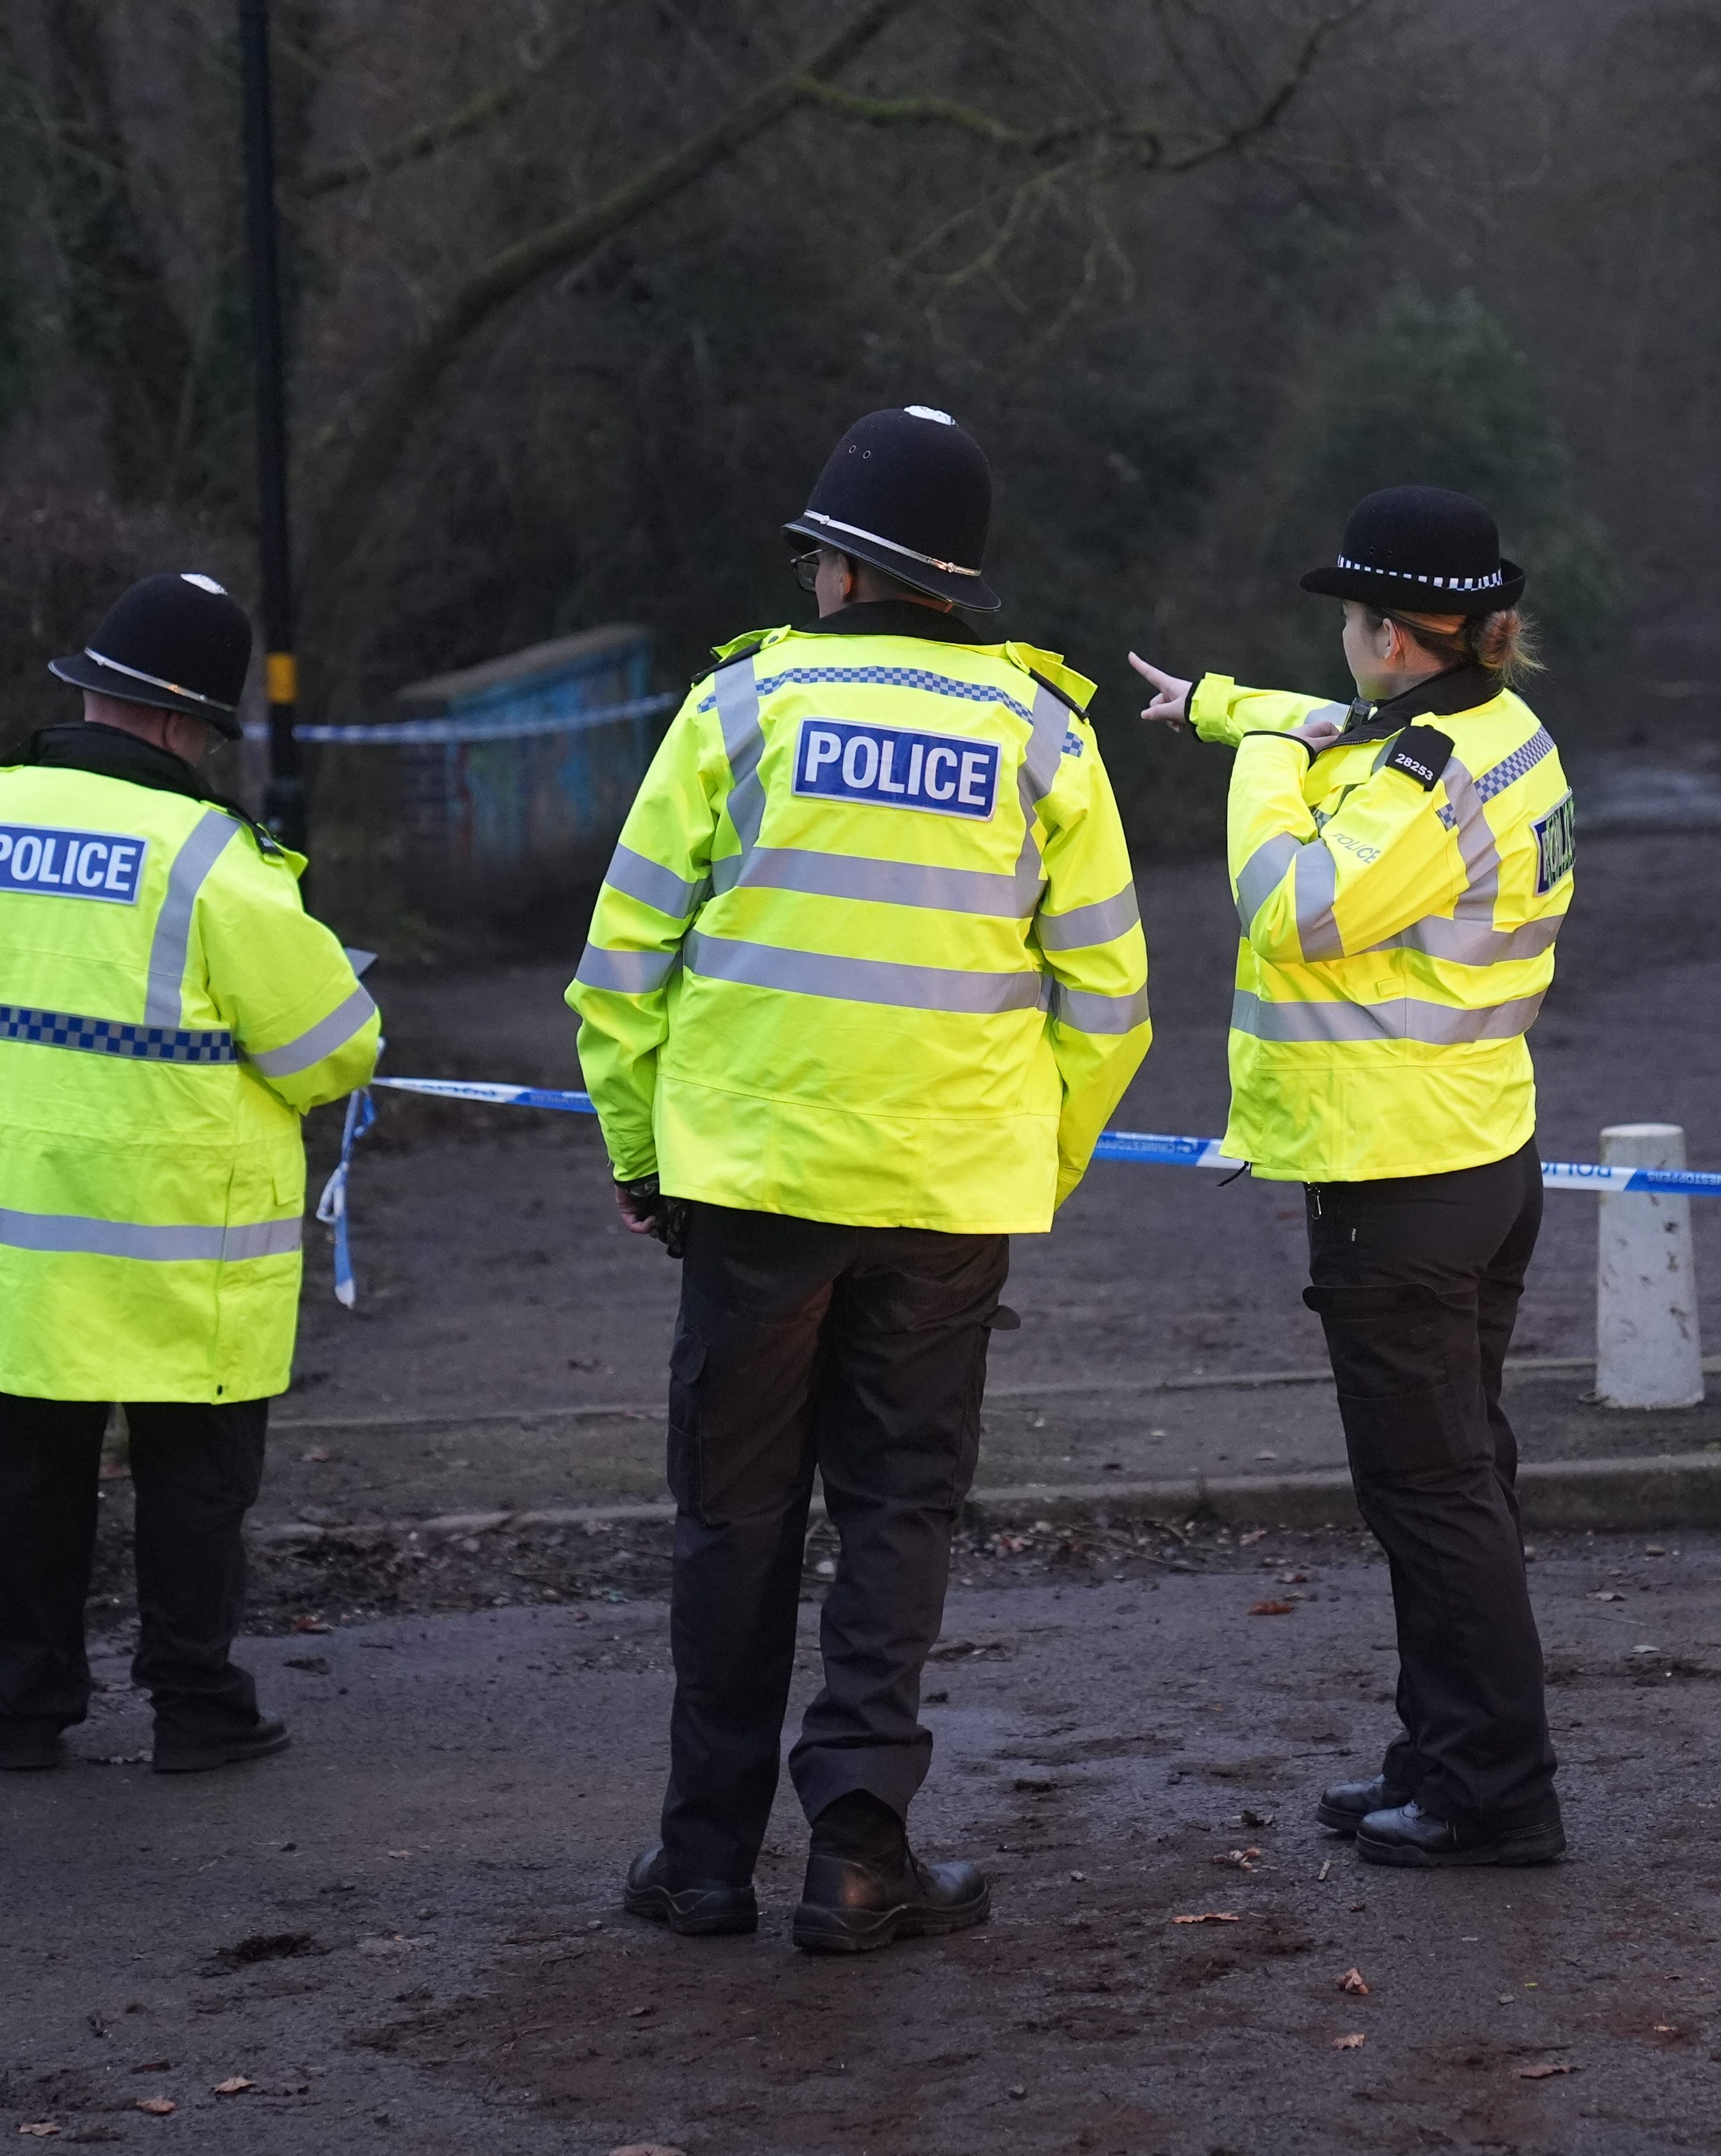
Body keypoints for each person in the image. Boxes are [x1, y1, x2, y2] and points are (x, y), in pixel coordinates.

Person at [570, 406, 1151, 1952]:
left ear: (834, 566)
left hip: (753, 1186)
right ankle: (854, 1855)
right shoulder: (1044, 734)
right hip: (946, 1201)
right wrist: (1034, 1161)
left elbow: (621, 965)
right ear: (953, 583)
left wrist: (642, 1151)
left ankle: (700, 1863)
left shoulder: (738, 711)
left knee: (733, 1519)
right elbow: (1108, 1005)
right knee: (897, 1511)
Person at [1127, 484, 1578, 1868]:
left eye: (1351, 622)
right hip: (1475, 1150)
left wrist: (1252, 751)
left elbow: (1293, 908)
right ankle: (1443, 1758)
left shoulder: (1420, 781)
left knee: (1433, 1496)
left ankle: (1492, 1796)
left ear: (1392, 639)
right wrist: (1226, 703)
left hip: (1402, 1178)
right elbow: (1350, 738)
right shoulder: (1494, 731)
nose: (1340, 649)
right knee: (1460, 1480)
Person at [0, 572, 380, 1771]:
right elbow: (331, 1047)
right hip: (176, 1243)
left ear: (97, 696)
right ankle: (196, 1709)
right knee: (193, 1485)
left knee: (19, 1481)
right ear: (175, 723)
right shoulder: (216, 863)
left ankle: (25, 1708)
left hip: (7, 1241)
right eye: (203, 731)